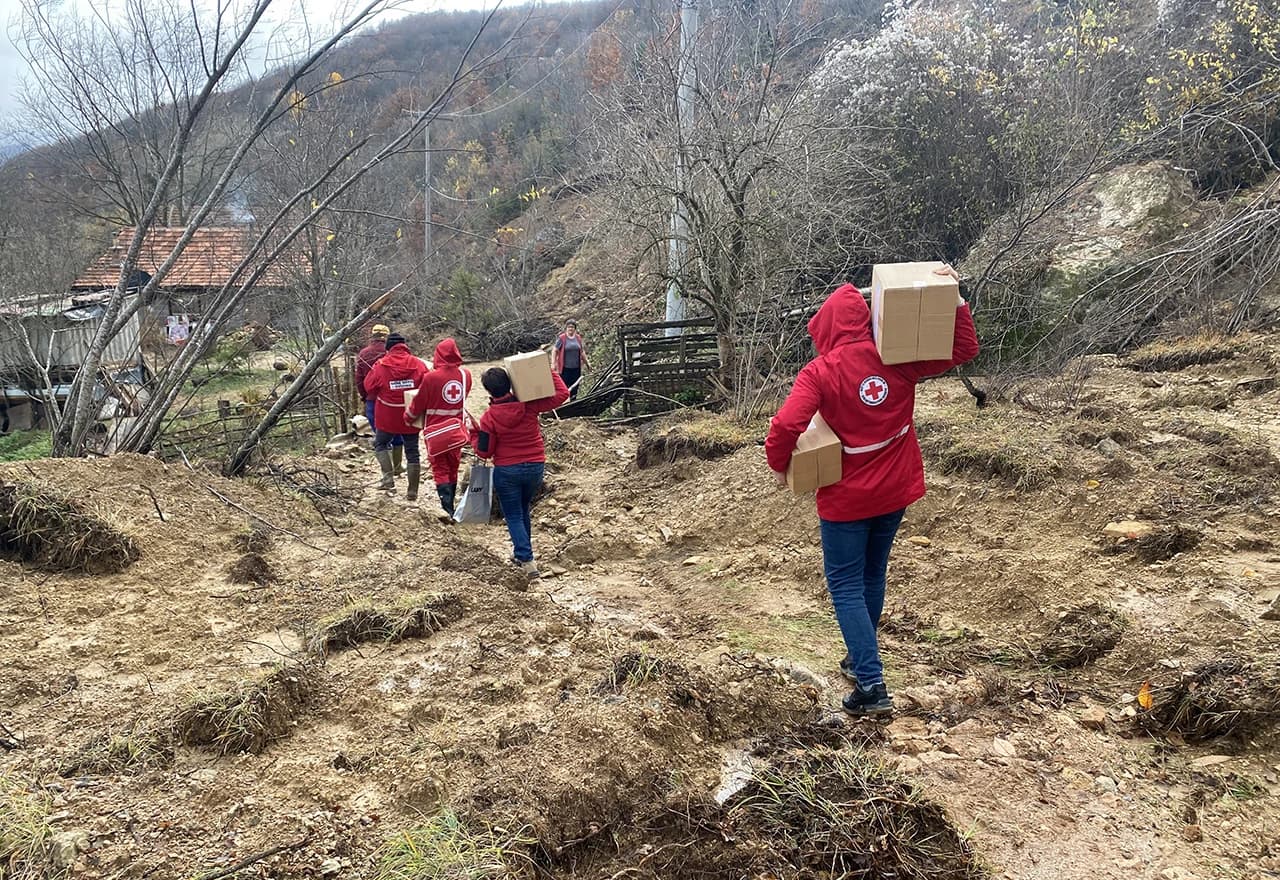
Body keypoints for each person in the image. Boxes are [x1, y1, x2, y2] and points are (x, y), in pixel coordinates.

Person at [764, 266, 979, 717]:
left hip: (846, 500)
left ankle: (871, 684)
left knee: (844, 583)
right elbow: (964, 348)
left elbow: (786, 424)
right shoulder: (896, 357)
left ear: (824, 327)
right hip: (895, 491)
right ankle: (858, 653)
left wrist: (779, 462)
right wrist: (956, 298)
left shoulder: (819, 372)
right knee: (871, 574)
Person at [472, 366, 570, 578]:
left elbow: (484, 451)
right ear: (511, 382)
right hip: (535, 466)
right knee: (523, 508)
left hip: (507, 470)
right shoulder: (528, 405)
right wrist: (548, 370)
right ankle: (520, 553)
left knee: (514, 514)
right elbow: (563, 394)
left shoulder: (489, 419)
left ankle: (527, 560)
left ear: (489, 392)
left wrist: (473, 434)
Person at [407, 338, 473, 515]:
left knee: (439, 467)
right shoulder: (466, 375)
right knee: (453, 465)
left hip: (435, 431)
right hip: (456, 430)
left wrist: (409, 417)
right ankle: (451, 502)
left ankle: (447, 508)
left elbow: (418, 403)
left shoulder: (430, 378)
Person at [363, 333, 429, 499]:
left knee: (381, 444)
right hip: (411, 415)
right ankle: (412, 491)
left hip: (387, 416)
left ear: (388, 348)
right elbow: (427, 386)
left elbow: (368, 386)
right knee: (412, 451)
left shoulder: (380, 365)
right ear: (404, 346)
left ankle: (388, 480)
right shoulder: (418, 364)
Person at [354, 323, 404, 469]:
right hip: (393, 400)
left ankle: (387, 474)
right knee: (398, 433)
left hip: (373, 401)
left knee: (381, 437)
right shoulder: (391, 353)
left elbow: (359, 380)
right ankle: (398, 467)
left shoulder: (363, 354)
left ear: (372, 336)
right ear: (386, 336)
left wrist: (365, 396)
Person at [552, 320, 589, 400]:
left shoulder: (578, 338)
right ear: (566, 328)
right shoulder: (562, 338)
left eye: (572, 327)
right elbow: (555, 350)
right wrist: (553, 363)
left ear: (575, 329)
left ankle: (573, 402)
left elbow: (582, 352)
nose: (570, 329)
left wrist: (587, 364)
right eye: (569, 327)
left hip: (576, 368)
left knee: (575, 387)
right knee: (564, 388)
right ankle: (563, 403)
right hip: (565, 369)